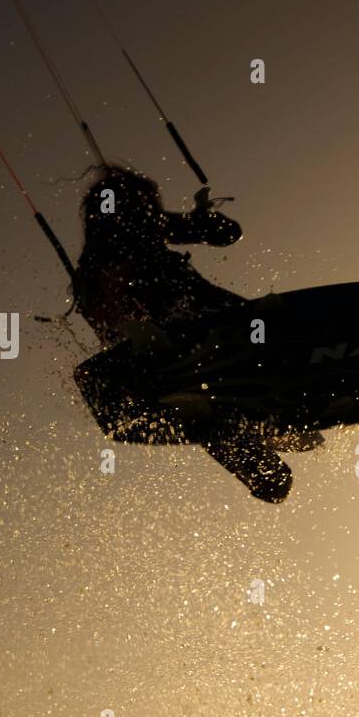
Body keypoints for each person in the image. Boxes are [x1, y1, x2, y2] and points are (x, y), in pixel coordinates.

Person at [72, 166, 293, 502]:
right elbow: (225, 233)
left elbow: (226, 233)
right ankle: (267, 391)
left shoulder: (105, 248)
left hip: (162, 348)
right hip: (175, 327)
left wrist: (204, 219)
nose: (154, 207)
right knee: (201, 393)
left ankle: (264, 464)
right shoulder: (126, 233)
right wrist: (200, 221)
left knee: (202, 410)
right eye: (148, 201)